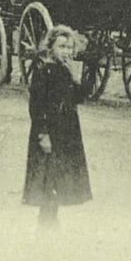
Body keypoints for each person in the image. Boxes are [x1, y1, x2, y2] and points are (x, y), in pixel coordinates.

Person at [22, 25, 92, 228]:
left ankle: (52, 219)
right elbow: (36, 107)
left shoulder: (65, 71)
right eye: (61, 46)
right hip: (50, 133)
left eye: (70, 48)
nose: (67, 52)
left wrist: (76, 77)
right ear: (50, 47)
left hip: (66, 133)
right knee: (48, 178)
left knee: (59, 179)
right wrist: (43, 135)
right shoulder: (44, 72)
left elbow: (79, 98)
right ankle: (45, 221)